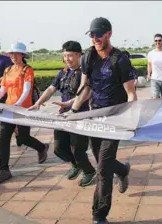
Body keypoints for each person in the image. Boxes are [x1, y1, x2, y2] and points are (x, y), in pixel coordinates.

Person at [60, 17, 137, 224]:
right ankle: (122, 170)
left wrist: (130, 117)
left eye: (99, 35)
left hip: (116, 119)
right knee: (105, 161)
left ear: (109, 34)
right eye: (92, 35)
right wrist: (74, 110)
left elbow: (130, 93)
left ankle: (99, 215)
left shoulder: (119, 59)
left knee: (102, 168)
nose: (95, 38)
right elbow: (86, 87)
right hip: (95, 117)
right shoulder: (88, 56)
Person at [28, 41, 96, 186]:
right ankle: (76, 165)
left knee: (78, 149)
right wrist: (38, 102)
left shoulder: (86, 73)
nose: (67, 59)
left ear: (79, 55)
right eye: (65, 56)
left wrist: (70, 105)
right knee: (59, 148)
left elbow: (85, 94)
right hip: (63, 115)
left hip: (80, 116)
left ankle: (89, 171)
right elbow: (51, 89)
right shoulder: (64, 72)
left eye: (70, 56)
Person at [0, 42, 49, 184]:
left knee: (22, 138)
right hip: (9, 109)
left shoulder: (27, 70)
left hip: (23, 110)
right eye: (11, 54)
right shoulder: (8, 70)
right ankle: (3, 170)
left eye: (16, 54)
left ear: (22, 55)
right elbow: (3, 89)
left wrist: (18, 104)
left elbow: (26, 90)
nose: (13, 56)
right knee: (4, 137)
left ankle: (41, 147)